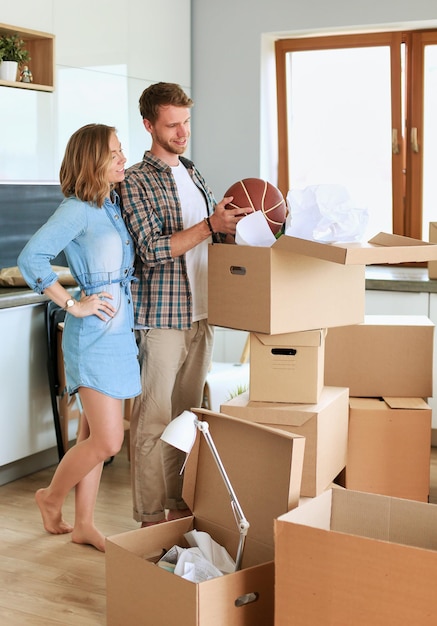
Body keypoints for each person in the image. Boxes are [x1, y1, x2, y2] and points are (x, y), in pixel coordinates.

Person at [120, 82, 251, 527]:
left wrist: (234, 225)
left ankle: (178, 506)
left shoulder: (193, 172)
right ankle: (150, 517)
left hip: (202, 314)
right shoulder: (136, 180)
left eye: (186, 122)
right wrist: (209, 223)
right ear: (149, 125)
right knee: (154, 422)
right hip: (162, 319)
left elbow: (211, 236)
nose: (182, 132)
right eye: (172, 125)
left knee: (187, 422)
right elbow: (151, 249)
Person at [18, 123, 141, 552]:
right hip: (92, 334)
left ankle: (85, 523)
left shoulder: (107, 205)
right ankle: (50, 498)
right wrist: (72, 304)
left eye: (121, 151)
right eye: (114, 153)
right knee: (108, 441)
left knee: (93, 435)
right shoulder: (75, 209)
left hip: (119, 330)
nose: (123, 158)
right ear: (92, 160)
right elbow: (30, 256)